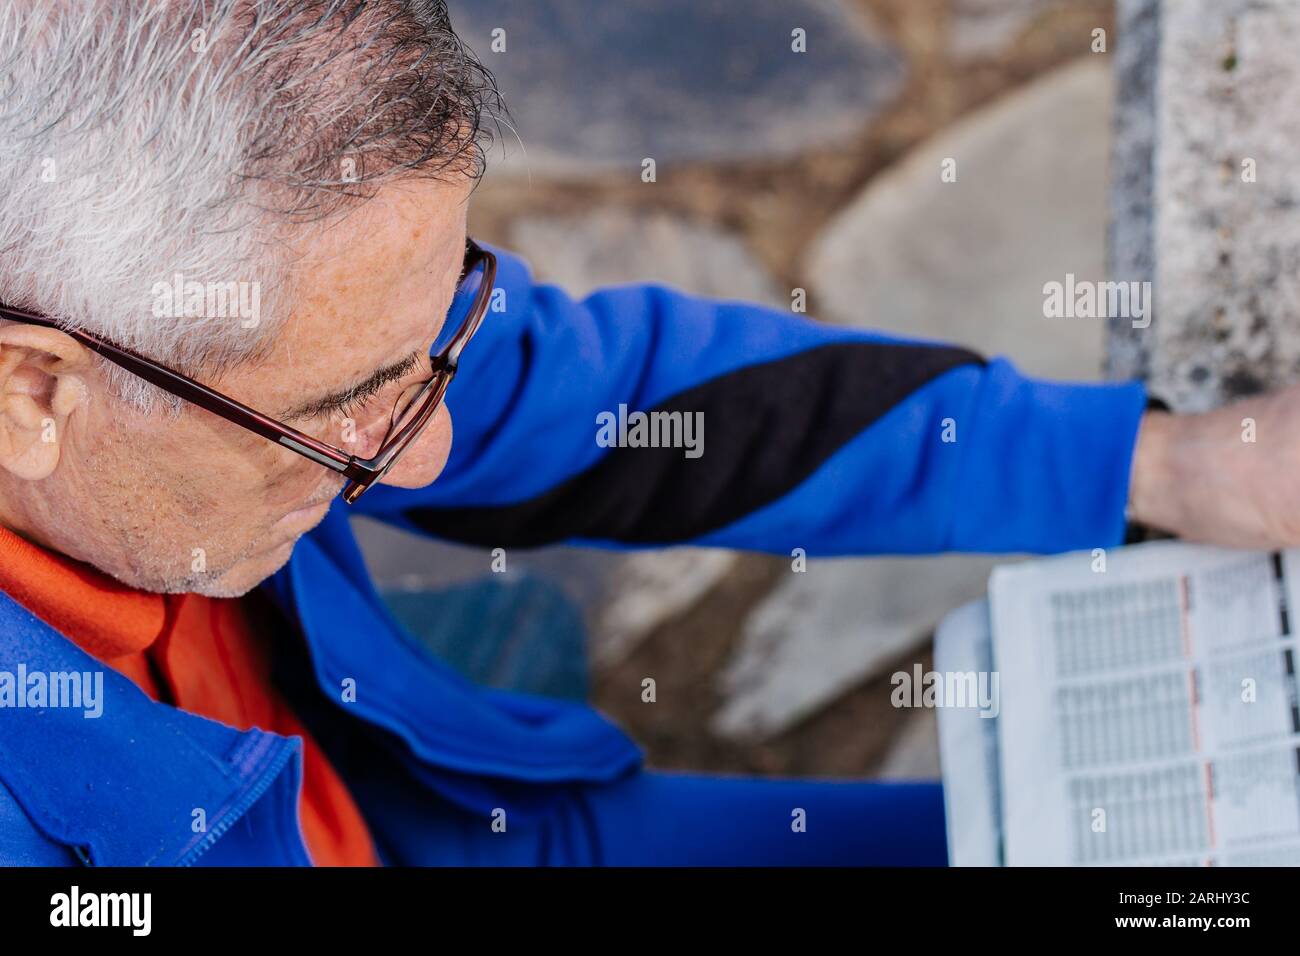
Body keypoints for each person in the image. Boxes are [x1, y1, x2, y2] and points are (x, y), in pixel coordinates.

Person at [0, 0, 1293, 866]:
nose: (440, 451)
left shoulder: (226, 328)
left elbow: (616, 411)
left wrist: (1167, 464)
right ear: (32, 393)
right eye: (345, 411)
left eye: (446, 333)